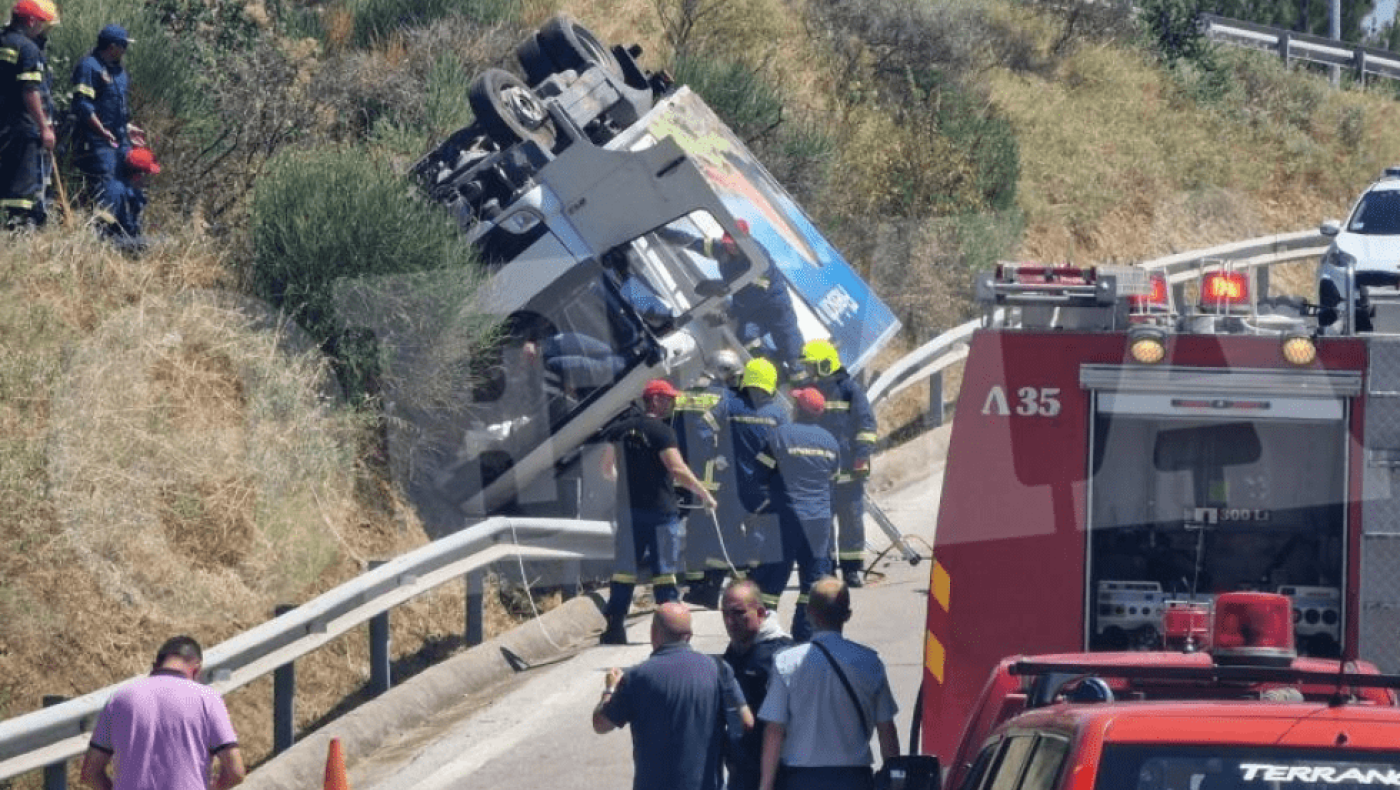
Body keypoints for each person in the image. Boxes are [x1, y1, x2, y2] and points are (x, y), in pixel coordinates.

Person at [600, 378, 718, 644]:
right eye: (667, 398)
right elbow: (677, 469)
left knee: (624, 570)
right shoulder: (662, 432)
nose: (672, 403)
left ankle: (615, 627)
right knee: (665, 572)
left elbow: (607, 470)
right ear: (653, 400)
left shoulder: (618, 430)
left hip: (628, 512)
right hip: (661, 512)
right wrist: (705, 495)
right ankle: (672, 629)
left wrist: (627, 482)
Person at [758, 577, 899, 790]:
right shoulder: (870, 663)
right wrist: (894, 779)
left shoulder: (787, 663)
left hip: (801, 781)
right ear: (847, 615)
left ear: (808, 613)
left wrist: (766, 785)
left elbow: (774, 730)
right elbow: (886, 729)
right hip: (855, 780)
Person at [592, 602, 752, 790]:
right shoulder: (719, 670)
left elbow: (601, 724)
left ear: (653, 633)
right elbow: (745, 721)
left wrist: (610, 689)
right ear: (689, 636)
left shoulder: (636, 677)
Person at [80, 635, 246, 790]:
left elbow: (90, 773)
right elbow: (235, 772)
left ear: (155, 665)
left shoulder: (119, 699)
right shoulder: (208, 699)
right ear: (196, 670)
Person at [655, 219, 804, 380]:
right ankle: (775, 369)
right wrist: (664, 233)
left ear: (745, 241)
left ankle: (803, 379)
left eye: (733, 243)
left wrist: (726, 303)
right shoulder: (721, 249)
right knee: (747, 337)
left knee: (793, 351)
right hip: (752, 311)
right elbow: (693, 242)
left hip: (775, 308)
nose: (729, 246)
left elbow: (752, 292)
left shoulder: (758, 258)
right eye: (727, 242)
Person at [751, 387, 840, 642]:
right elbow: (833, 479)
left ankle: (765, 634)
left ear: (798, 409)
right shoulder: (830, 441)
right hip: (819, 521)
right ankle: (805, 635)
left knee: (772, 577)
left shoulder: (780, 436)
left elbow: (759, 472)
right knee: (812, 582)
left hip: (785, 517)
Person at [801, 339, 878, 588]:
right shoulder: (809, 392)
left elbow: (866, 425)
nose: (809, 371)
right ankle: (827, 570)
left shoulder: (850, 390)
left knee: (852, 522)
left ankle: (852, 570)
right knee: (823, 526)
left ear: (825, 364)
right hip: (821, 472)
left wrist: (861, 455)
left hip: (849, 471)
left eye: (812, 366)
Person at [676, 348, 746, 609]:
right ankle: (732, 580)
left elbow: (678, 431)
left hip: (683, 471)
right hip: (714, 474)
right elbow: (719, 434)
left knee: (696, 530)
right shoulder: (723, 397)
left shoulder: (686, 393)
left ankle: (697, 584)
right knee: (722, 528)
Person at [721, 579, 795, 790]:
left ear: (760, 613)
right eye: (725, 613)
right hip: (742, 768)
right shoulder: (736, 649)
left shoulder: (780, 655)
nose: (729, 621)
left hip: (776, 772)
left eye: (738, 613)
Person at [70, 23, 144, 235]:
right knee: (109, 184)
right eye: (123, 45)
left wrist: (128, 128)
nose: (125, 50)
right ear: (112, 46)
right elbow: (83, 105)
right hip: (97, 140)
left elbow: (116, 107)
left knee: (128, 181)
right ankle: (106, 233)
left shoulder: (119, 71)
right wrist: (101, 130)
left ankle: (129, 230)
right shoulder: (89, 66)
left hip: (119, 138)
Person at [728, 357, 789, 579]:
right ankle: (760, 575)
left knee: (733, 528)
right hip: (763, 482)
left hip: (733, 480)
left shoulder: (732, 406)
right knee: (762, 528)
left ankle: (740, 573)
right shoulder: (778, 413)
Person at [0, 0, 58, 230]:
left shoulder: (3, 41)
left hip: (4, 121)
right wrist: (44, 127)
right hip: (23, 124)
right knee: (23, 181)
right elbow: (30, 91)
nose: (42, 29)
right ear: (32, 21)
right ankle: (18, 229)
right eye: (41, 24)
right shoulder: (28, 48)